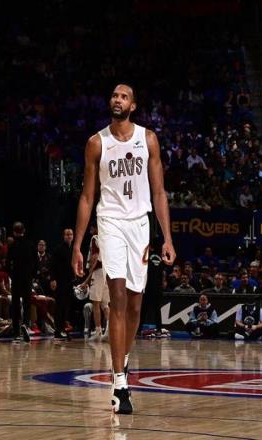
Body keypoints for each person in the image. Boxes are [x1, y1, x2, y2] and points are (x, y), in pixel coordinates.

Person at [72, 84, 176, 414]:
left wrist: (168, 237)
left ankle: (124, 359)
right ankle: (120, 384)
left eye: (124, 96)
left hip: (140, 224)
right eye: (114, 95)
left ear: (133, 105)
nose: (117, 99)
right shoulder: (96, 143)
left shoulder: (148, 139)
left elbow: (159, 193)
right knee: (116, 295)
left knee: (134, 304)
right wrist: (77, 245)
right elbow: (87, 196)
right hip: (110, 221)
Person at [6, 221, 37, 342]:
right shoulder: (30, 244)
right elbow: (36, 262)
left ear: (14, 232)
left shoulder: (12, 246)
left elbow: (7, 263)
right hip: (27, 277)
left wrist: (11, 274)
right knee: (27, 303)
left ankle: (16, 333)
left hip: (16, 277)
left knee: (15, 304)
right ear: (24, 231)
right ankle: (26, 324)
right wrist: (33, 275)